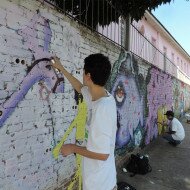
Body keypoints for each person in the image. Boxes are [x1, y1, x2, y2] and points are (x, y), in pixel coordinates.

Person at [51, 54, 117, 190]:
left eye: (83, 71)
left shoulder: (102, 110)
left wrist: (73, 148)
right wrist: (61, 68)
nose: (82, 74)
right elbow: (80, 88)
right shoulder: (100, 95)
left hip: (100, 184)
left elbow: (103, 154)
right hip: (98, 179)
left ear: (88, 76)